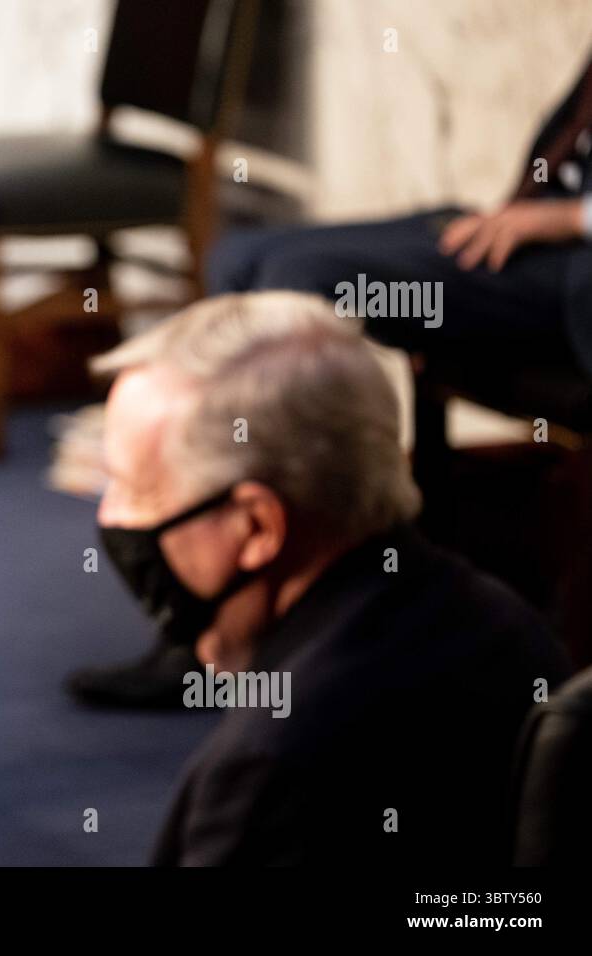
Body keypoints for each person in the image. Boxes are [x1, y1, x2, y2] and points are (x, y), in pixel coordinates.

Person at [70, 45, 592, 708]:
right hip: (527, 238)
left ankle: (245, 605)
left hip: (574, 262)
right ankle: (208, 620)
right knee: (243, 257)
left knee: (303, 281)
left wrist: (565, 218)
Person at [90, 291, 568, 864]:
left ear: (257, 526)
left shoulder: (272, 769)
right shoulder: (509, 624)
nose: (108, 516)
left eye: (132, 489)